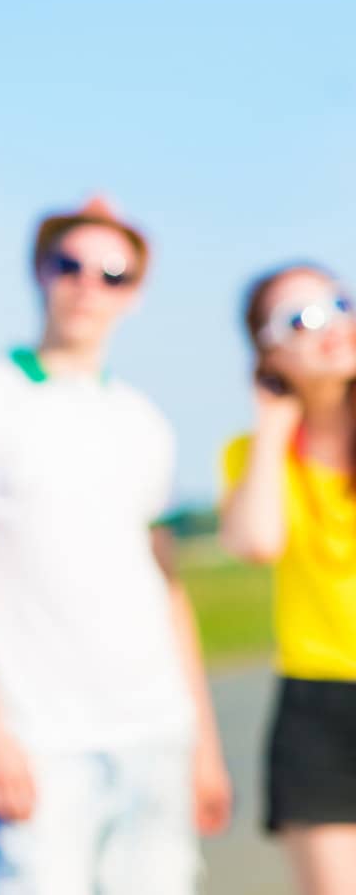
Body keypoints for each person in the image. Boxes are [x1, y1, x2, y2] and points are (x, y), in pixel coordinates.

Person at [0, 196, 232, 893]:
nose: (90, 285)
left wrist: (204, 743)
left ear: (137, 295)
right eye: (71, 265)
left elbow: (167, 588)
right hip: (42, 739)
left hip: (157, 730)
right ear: (41, 271)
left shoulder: (144, 421)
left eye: (113, 274)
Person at [219, 263, 356, 895]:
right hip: (318, 706)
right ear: (269, 352)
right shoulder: (252, 457)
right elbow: (257, 541)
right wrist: (274, 424)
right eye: (303, 318)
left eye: (340, 303)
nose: (333, 326)